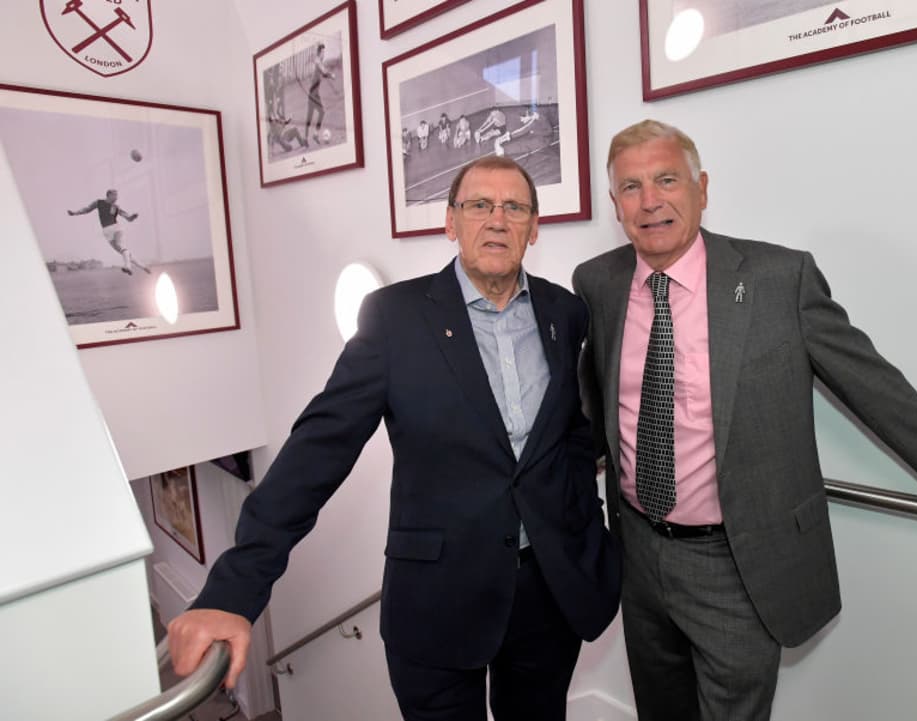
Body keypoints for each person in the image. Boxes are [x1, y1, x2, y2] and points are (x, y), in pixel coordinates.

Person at [571, 119, 917, 721]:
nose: (650, 201)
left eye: (666, 179)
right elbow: (592, 400)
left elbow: (875, 388)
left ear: (701, 187)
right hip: (637, 550)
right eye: (631, 188)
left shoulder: (777, 280)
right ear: (615, 204)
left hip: (737, 561)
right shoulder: (599, 283)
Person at [169, 156, 621, 721]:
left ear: (534, 227)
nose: (497, 220)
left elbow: (569, 434)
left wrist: (586, 523)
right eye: (479, 205)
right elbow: (318, 451)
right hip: (436, 602)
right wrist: (232, 590)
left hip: (548, 594)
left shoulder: (565, 312)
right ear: (451, 222)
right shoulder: (394, 318)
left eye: (515, 208)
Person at [67, 189, 149, 275]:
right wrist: (75, 213)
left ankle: (128, 266)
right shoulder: (99, 202)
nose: (116, 198)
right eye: (114, 195)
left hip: (116, 228)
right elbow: (87, 209)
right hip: (106, 231)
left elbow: (128, 218)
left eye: (117, 195)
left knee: (121, 246)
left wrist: (132, 216)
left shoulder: (116, 207)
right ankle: (143, 266)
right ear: (108, 195)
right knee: (122, 250)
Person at [303, 43, 334, 146]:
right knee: (318, 113)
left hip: (314, 93)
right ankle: (312, 136)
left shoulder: (318, 62)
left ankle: (307, 137)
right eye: (323, 52)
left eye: (325, 52)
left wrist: (327, 75)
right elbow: (324, 72)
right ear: (320, 52)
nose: (324, 54)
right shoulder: (317, 61)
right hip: (313, 94)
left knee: (312, 116)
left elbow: (322, 74)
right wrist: (331, 75)